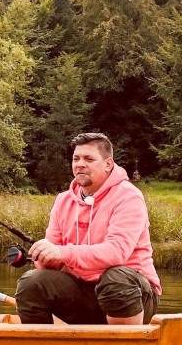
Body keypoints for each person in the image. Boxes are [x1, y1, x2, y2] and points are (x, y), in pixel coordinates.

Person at [15, 132, 161, 325]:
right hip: (83, 290)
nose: (80, 164)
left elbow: (116, 252)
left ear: (108, 164)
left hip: (134, 293)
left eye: (89, 159)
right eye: (76, 158)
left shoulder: (128, 196)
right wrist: (43, 256)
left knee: (115, 279)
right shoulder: (63, 201)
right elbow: (54, 258)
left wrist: (62, 252)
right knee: (31, 282)